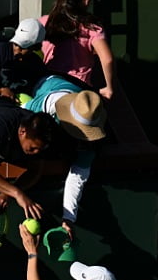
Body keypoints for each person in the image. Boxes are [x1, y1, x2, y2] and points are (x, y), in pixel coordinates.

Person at [22, 76, 108, 233]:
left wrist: (68, 219)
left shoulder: (90, 140)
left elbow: (77, 176)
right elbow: (20, 111)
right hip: (40, 83)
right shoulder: (48, 104)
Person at [40, 0, 119, 100]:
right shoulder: (90, 27)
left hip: (49, 87)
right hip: (78, 91)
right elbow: (108, 59)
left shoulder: (44, 22)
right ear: (86, 1)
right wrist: (109, 88)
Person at [0, 18, 50, 100]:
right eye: (15, 44)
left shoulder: (36, 64)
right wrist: (0, 91)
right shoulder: (1, 50)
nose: (16, 50)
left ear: (35, 47)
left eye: (22, 48)